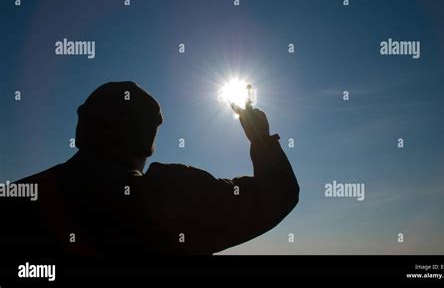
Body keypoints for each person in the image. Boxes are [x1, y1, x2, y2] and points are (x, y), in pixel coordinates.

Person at [1, 81, 299, 260]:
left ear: (82, 130)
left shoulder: (18, 196)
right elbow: (278, 195)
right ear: (148, 142)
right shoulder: (173, 195)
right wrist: (259, 135)